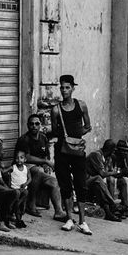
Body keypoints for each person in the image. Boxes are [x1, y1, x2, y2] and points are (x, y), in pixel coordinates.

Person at [50, 74, 93, 235]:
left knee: (81, 183)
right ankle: (69, 218)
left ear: (73, 88)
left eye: (67, 87)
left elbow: (88, 126)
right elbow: (55, 131)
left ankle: (82, 221)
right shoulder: (55, 109)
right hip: (61, 150)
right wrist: (66, 139)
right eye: (62, 87)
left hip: (78, 150)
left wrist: (75, 138)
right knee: (65, 183)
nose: (64, 90)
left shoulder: (81, 105)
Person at [15, 114, 67, 220]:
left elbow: (45, 154)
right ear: (28, 125)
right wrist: (45, 162)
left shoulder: (43, 137)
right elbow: (27, 157)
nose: (34, 126)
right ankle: (31, 204)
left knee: (54, 181)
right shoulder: (24, 139)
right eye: (31, 124)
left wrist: (45, 164)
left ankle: (59, 211)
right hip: (24, 167)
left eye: (37, 123)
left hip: (39, 167)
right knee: (38, 171)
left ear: (40, 125)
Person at [86, 139, 128, 221]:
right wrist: (115, 172)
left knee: (100, 184)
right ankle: (113, 205)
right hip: (86, 180)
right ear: (109, 150)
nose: (113, 153)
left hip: (96, 183)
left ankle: (109, 212)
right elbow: (102, 173)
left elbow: (109, 172)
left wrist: (119, 173)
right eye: (113, 151)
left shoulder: (107, 158)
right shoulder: (96, 155)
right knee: (99, 179)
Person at [6, 149, 31, 229]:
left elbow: (30, 178)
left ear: (25, 159)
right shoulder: (13, 167)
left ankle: (19, 217)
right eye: (17, 158)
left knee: (22, 207)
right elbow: (4, 171)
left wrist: (26, 183)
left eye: (21, 158)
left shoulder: (26, 168)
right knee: (17, 205)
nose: (19, 160)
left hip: (23, 191)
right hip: (15, 190)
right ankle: (18, 220)